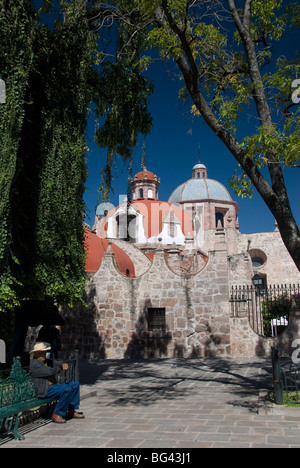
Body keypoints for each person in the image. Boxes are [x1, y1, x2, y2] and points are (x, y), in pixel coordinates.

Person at [29, 342, 85, 424]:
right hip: (44, 389)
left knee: (75, 385)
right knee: (66, 389)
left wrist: (62, 364)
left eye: (44, 352)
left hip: (54, 387)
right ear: (36, 354)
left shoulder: (47, 361)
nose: (44, 354)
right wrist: (60, 368)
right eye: (42, 352)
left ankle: (71, 410)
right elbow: (49, 372)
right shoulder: (34, 364)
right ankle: (57, 413)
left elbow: (56, 362)